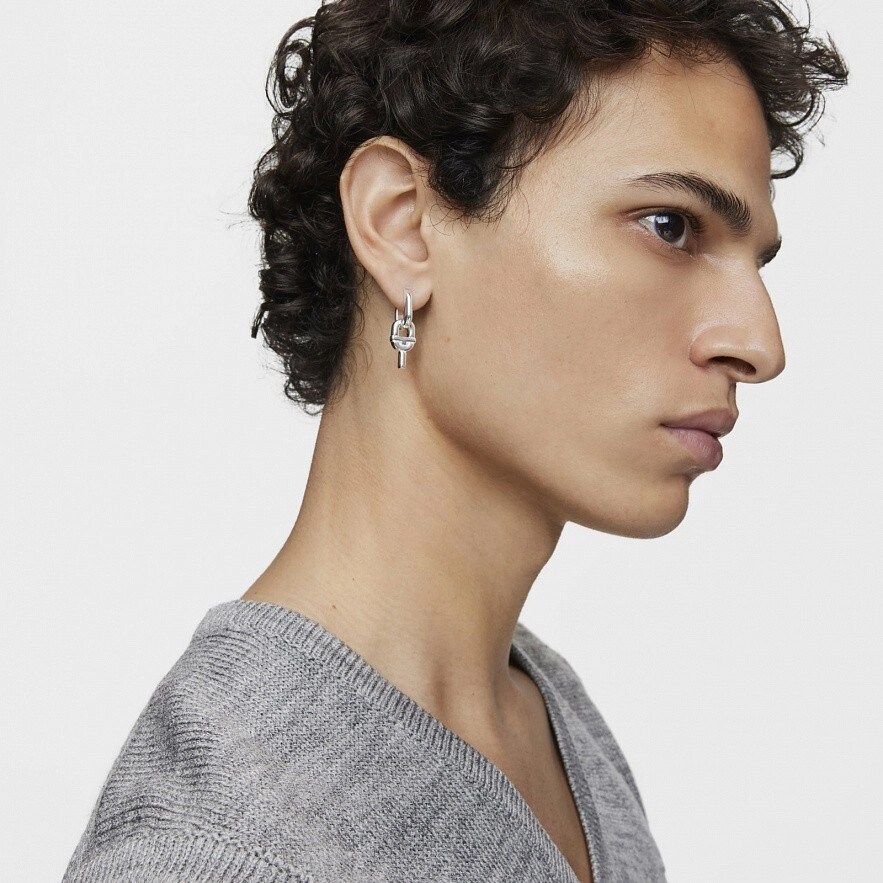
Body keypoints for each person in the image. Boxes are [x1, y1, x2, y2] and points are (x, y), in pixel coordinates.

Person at [62, 1, 848, 881]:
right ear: (402, 222)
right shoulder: (211, 851)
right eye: (670, 225)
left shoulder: (545, 712)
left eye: (754, 261)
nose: (758, 343)